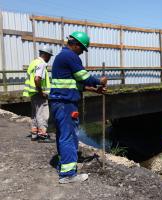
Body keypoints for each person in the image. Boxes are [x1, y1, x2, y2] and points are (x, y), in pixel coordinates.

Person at [49, 31, 107, 184]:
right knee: (69, 137)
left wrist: (94, 90)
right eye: (82, 49)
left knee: (63, 136)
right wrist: (99, 81)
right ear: (76, 45)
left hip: (60, 102)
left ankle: (64, 165)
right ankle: (68, 174)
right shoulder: (70, 56)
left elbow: (76, 84)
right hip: (65, 103)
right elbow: (84, 77)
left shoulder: (62, 56)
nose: (82, 52)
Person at [23, 46, 54, 142]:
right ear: (46, 55)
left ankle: (34, 134)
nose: (49, 58)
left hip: (33, 93)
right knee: (43, 114)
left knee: (35, 113)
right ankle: (42, 136)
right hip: (39, 93)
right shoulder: (41, 64)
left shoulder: (33, 62)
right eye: (49, 56)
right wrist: (41, 92)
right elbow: (37, 79)